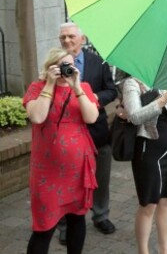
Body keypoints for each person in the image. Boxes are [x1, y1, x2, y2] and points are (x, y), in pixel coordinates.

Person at [23, 48, 99, 254]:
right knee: (43, 228)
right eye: (62, 65)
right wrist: (49, 83)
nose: (67, 68)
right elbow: (37, 117)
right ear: (49, 68)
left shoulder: (83, 87)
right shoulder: (37, 88)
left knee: (77, 219)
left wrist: (76, 87)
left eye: (71, 64)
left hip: (77, 170)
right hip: (47, 173)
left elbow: (92, 117)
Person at [58, 22, 118, 243]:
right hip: (67, 136)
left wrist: (93, 99)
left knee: (101, 176)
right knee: (68, 181)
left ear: (82, 39)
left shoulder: (97, 62)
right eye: (63, 37)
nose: (67, 41)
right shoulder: (53, 65)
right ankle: (66, 224)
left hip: (97, 131)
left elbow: (112, 90)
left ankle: (101, 215)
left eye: (71, 36)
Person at [122, 77, 167, 254]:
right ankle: (143, 251)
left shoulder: (166, 80)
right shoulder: (132, 84)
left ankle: (164, 250)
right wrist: (163, 100)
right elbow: (135, 117)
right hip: (148, 150)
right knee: (149, 204)